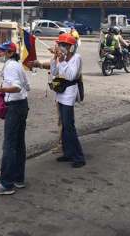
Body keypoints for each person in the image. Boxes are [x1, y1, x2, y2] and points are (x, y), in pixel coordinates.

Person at [0, 41, 30, 195]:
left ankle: (6, 184)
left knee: (9, 146)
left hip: (15, 108)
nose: (0, 53)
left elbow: (17, 86)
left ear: (10, 53)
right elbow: (27, 86)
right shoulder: (17, 65)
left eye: (2, 51)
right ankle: (18, 179)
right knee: (18, 144)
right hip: (22, 105)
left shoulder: (11, 66)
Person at [49, 33, 85, 168]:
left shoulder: (76, 58)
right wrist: (55, 58)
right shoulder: (61, 58)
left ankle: (78, 157)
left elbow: (70, 76)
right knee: (64, 125)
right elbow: (54, 72)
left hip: (69, 94)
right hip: (61, 93)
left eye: (63, 45)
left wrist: (63, 60)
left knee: (69, 126)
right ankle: (68, 152)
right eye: (60, 45)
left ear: (70, 47)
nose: (61, 47)